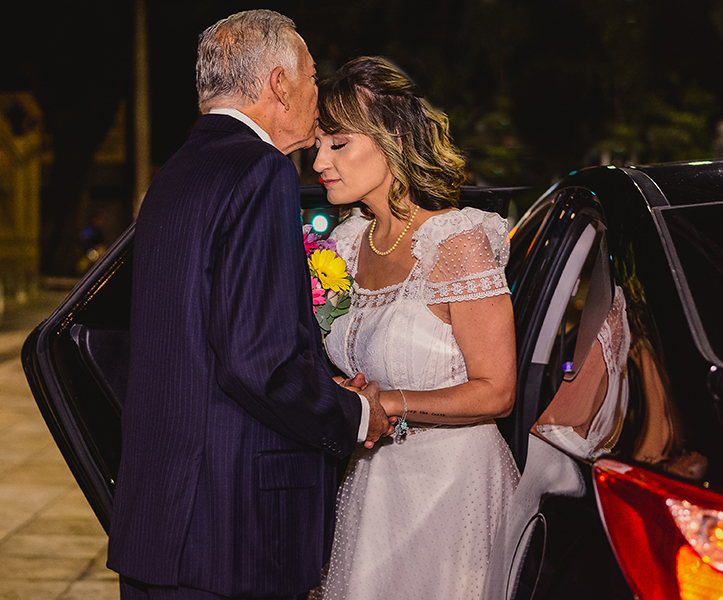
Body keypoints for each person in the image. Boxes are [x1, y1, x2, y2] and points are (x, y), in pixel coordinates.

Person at [106, 11, 392, 600]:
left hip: (162, 524)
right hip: (229, 531)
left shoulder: (176, 171)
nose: (317, 93)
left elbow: (199, 337)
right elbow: (257, 359)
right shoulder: (260, 170)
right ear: (279, 84)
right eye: (312, 77)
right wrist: (355, 414)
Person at [311, 56, 520, 599]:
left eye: (338, 144)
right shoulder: (345, 245)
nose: (319, 161)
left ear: (395, 140)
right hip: (372, 486)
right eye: (318, 144)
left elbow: (497, 391)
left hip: (450, 490)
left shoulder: (455, 243)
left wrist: (387, 402)